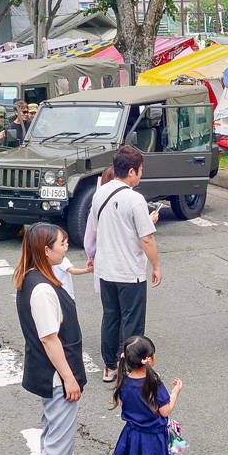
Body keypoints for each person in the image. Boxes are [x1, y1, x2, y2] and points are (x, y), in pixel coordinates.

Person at [14, 223, 88, 455]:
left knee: (56, 434)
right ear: (46, 249)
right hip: (57, 374)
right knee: (58, 439)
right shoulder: (42, 287)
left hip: (54, 372)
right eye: (62, 243)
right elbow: (49, 339)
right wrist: (69, 378)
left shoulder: (35, 277)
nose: (66, 248)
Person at [87, 146, 162, 382]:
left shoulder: (99, 194)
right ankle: (130, 368)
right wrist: (156, 267)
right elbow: (146, 238)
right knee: (132, 320)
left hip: (105, 269)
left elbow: (98, 230)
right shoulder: (134, 199)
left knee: (111, 316)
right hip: (130, 271)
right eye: (140, 170)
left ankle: (109, 366)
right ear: (131, 171)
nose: (141, 174)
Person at [110, 334, 183, 455]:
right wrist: (175, 394)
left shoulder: (124, 381)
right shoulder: (154, 384)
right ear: (149, 359)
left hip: (133, 434)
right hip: (153, 436)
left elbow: (125, 403)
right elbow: (165, 410)